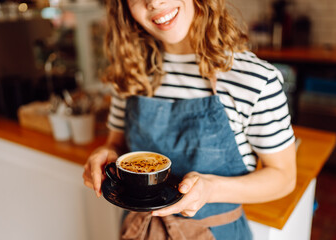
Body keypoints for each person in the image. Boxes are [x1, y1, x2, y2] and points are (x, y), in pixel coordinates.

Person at [83, 0, 297, 239]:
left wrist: (212, 189)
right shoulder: (131, 73)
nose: (154, 2)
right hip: (140, 230)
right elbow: (117, 145)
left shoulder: (254, 79)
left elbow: (284, 177)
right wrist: (106, 154)